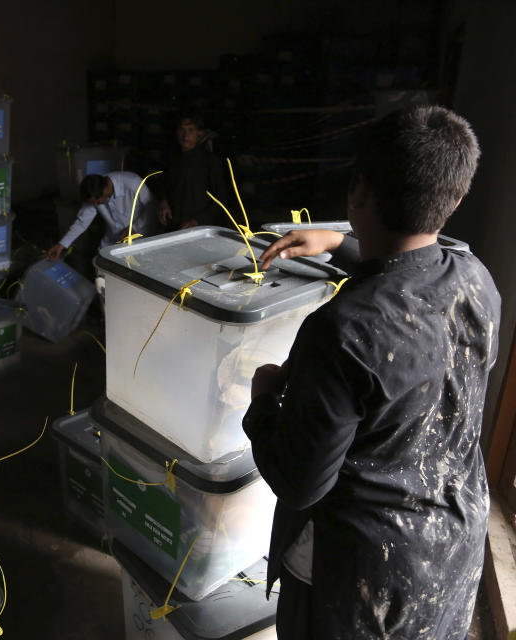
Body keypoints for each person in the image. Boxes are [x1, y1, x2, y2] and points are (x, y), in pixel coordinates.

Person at [243, 106, 500, 639]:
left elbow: (300, 483)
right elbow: (413, 278)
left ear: (359, 190)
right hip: (452, 544)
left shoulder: (342, 329)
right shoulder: (478, 279)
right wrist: (339, 243)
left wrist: (263, 398)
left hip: (362, 579)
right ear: (452, 196)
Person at [47, 171, 154, 260]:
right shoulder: (94, 192)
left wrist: (135, 227)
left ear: (106, 191)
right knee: (102, 268)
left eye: (97, 202)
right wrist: (62, 245)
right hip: (113, 238)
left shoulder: (132, 183)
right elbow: (82, 222)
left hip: (141, 237)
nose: (95, 205)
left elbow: (152, 209)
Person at [157, 111, 230, 230]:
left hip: (200, 228)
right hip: (174, 225)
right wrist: (164, 201)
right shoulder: (172, 158)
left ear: (199, 134)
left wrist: (197, 221)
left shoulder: (210, 161)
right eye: (182, 130)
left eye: (191, 130)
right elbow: (164, 185)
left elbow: (221, 198)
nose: (185, 135)